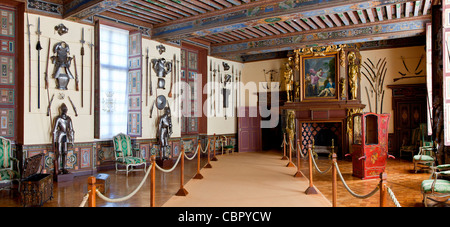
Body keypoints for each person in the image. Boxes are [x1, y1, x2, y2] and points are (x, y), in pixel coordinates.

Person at [52, 103, 74, 175]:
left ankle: (64, 168)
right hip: (60, 135)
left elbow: (71, 129)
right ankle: (58, 169)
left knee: (65, 152)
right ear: (60, 110)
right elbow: (55, 130)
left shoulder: (68, 119)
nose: (64, 110)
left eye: (65, 109)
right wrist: (53, 140)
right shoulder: (58, 118)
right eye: (63, 109)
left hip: (66, 135)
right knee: (59, 153)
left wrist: (72, 139)